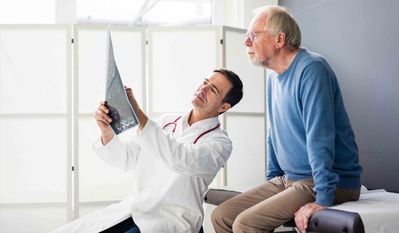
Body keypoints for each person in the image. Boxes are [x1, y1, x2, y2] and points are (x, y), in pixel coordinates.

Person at [211, 6, 363, 233]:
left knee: (245, 224)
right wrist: (273, 181)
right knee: (221, 216)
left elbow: (319, 136)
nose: (246, 42)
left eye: (253, 35)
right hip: (289, 179)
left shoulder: (312, 69)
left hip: (329, 181)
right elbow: (274, 134)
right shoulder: (273, 77)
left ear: (279, 39)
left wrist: (323, 199)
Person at [49, 69, 243, 233]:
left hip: (172, 217)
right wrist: (106, 130)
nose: (203, 89)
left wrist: (137, 112)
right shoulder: (167, 121)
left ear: (224, 106)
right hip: (134, 208)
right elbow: (127, 159)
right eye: (205, 82)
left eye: (213, 89)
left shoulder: (220, 143)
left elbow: (181, 159)